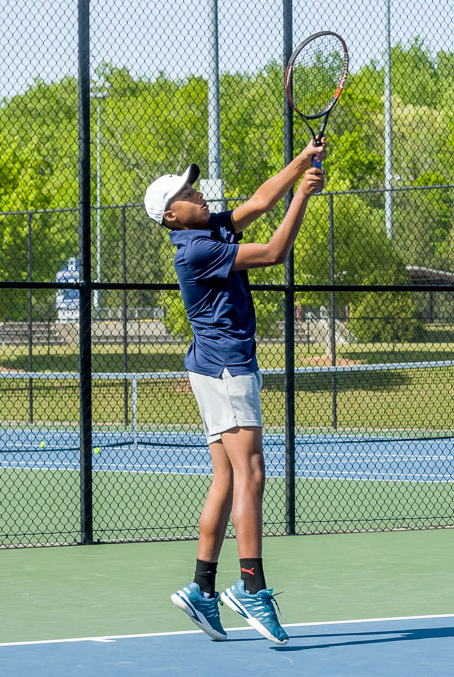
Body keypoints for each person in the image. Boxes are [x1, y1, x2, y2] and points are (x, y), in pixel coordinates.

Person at [149, 138, 327, 646]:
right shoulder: (199, 248)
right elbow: (273, 251)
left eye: (194, 186)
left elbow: (257, 204)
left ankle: (203, 588)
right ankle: (252, 588)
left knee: (226, 478)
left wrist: (300, 161)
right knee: (251, 475)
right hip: (228, 369)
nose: (198, 193)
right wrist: (304, 197)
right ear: (171, 218)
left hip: (209, 368)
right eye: (187, 193)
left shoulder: (207, 229)